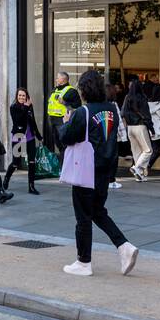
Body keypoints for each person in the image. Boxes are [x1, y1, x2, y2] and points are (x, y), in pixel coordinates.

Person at [58, 70, 138, 277]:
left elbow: (66, 137)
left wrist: (66, 122)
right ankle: (124, 246)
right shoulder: (112, 109)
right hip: (105, 170)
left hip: (86, 171)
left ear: (85, 89)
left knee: (83, 217)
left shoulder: (83, 112)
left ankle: (83, 262)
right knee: (97, 212)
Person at [3, 88, 41, 196]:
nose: (21, 97)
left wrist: (38, 135)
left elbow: (32, 121)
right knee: (16, 162)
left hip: (30, 137)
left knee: (32, 161)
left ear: (26, 97)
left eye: (23, 96)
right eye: (19, 95)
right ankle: (6, 178)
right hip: (18, 136)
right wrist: (26, 107)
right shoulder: (13, 107)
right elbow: (17, 120)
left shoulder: (29, 106)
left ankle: (31, 186)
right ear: (17, 96)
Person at [121, 79, 155, 182]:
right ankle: (137, 167)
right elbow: (146, 115)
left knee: (136, 151)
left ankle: (139, 175)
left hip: (130, 128)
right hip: (140, 126)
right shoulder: (142, 98)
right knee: (148, 150)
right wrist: (152, 128)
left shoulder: (127, 98)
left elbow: (122, 113)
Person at [46, 71, 75, 155]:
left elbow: (77, 106)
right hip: (52, 120)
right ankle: (62, 165)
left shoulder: (71, 91)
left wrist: (65, 102)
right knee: (58, 144)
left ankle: (65, 165)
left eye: (57, 78)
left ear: (62, 79)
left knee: (64, 144)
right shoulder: (55, 89)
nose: (56, 80)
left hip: (62, 120)